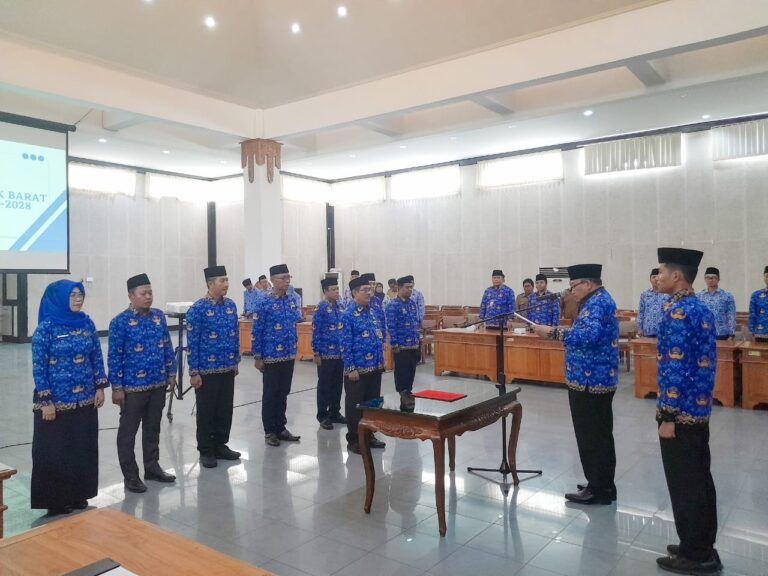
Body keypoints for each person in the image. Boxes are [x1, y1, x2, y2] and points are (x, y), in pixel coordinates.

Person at [654, 248, 721, 574]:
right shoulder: (699, 308)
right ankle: (700, 544)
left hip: (680, 414)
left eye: (661, 272)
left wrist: (668, 416)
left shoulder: (679, 312)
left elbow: (675, 368)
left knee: (686, 485)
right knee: (699, 480)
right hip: (697, 410)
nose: (657, 278)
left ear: (677, 275)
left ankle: (696, 555)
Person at [532, 264, 619, 505]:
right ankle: (601, 483)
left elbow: (587, 337)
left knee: (591, 436)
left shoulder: (598, 303)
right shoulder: (596, 300)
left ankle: (599, 489)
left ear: (587, 284)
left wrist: (552, 333)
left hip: (591, 380)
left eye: (573, 287)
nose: (571, 292)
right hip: (591, 378)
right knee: (599, 435)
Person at [31, 280, 107, 515]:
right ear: (59, 298)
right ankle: (57, 500)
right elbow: (39, 367)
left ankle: (78, 494)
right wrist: (46, 401)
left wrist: (100, 387)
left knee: (82, 449)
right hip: (56, 403)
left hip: (85, 399)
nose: (78, 299)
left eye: (80, 294)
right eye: (72, 295)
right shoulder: (46, 328)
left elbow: (96, 356)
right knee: (56, 453)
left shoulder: (87, 323)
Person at [108, 274, 177, 493]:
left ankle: (152, 467)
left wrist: (172, 372)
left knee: (153, 428)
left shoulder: (158, 317)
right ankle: (130, 476)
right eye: (143, 293)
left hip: (158, 383)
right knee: (127, 433)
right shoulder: (119, 322)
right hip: (132, 388)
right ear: (131, 296)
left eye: (150, 293)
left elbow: (167, 345)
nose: (148, 297)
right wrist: (117, 387)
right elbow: (114, 357)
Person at [186, 265, 241, 469]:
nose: (226, 284)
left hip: (227, 367)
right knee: (206, 411)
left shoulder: (231, 306)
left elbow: (235, 335)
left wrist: (235, 361)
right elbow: (192, 342)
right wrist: (194, 372)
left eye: (227, 280)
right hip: (206, 370)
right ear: (210, 284)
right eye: (222, 281)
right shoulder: (198, 309)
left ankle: (220, 445)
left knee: (225, 409)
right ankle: (206, 450)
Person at [252, 264, 303, 447]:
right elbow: (257, 330)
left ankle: (281, 427)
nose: (287, 281)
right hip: (271, 355)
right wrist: (258, 356)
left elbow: (295, 323)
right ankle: (270, 431)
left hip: (288, 354)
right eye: (283, 278)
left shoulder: (291, 300)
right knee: (270, 393)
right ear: (273, 280)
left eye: (289, 277)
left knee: (283, 392)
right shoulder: (263, 302)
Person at [341, 275, 386, 455]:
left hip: (374, 367)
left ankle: (369, 435)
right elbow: (345, 343)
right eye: (364, 290)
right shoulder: (347, 315)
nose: (369, 293)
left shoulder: (372, 312)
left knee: (372, 404)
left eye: (369, 289)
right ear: (354, 293)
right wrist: (350, 368)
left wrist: (380, 362)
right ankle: (354, 439)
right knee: (355, 406)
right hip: (357, 370)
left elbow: (378, 337)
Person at [312, 277, 346, 430]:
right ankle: (323, 415)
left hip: (340, 353)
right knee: (325, 385)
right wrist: (316, 353)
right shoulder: (321, 308)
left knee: (337, 384)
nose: (337, 291)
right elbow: (316, 331)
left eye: (337, 289)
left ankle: (335, 412)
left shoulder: (341, 306)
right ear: (325, 291)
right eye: (333, 289)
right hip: (325, 353)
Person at [386, 276, 421, 410]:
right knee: (402, 373)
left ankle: (408, 393)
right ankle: (403, 393)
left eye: (411, 287)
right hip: (401, 346)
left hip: (413, 344)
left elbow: (415, 323)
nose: (410, 290)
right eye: (407, 287)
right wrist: (394, 343)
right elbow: (391, 326)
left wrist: (418, 340)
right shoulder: (393, 305)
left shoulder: (412, 304)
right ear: (399, 288)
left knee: (411, 371)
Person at [696, 267, 736, 340]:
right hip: (704, 333)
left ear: (718, 279)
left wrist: (731, 334)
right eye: (708, 277)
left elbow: (731, 315)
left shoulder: (727, 296)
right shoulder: (698, 296)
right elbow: (697, 315)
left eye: (713, 277)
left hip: (722, 333)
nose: (710, 280)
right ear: (705, 279)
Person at [637, 268, 670, 338]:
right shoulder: (644, 294)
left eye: (658, 277)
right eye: (653, 277)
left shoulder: (667, 295)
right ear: (650, 279)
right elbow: (641, 312)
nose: (656, 279)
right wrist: (639, 328)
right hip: (647, 330)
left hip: (663, 330)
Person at [748, 266, 768, 342]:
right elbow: (752, 314)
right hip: (761, 333)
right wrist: (751, 331)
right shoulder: (756, 295)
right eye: (766, 276)